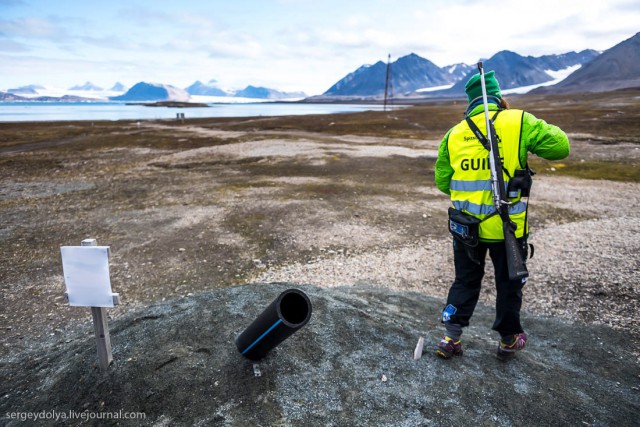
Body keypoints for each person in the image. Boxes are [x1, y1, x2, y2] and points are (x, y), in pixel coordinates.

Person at [434, 70, 570, 360]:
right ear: (499, 97)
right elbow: (561, 147)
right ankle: (509, 339)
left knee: (465, 280)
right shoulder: (519, 121)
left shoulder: (454, 133)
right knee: (509, 282)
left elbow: (443, 182)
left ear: (470, 101)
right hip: (508, 228)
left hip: (466, 228)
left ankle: (450, 337)